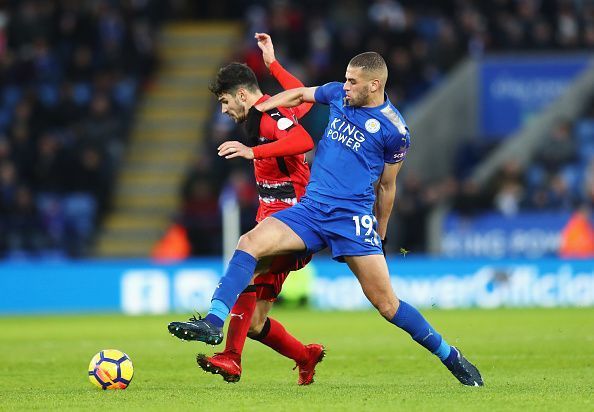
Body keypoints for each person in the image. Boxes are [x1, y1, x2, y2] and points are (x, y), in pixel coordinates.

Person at [169, 51, 484, 387]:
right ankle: (213, 323)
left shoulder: (395, 131)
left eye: (352, 81)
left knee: (387, 305)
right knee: (249, 243)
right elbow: (302, 93)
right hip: (312, 210)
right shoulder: (337, 95)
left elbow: (388, 186)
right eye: (345, 78)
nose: (344, 85)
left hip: (352, 219)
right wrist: (263, 104)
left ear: (374, 85)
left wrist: (381, 231)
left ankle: (451, 356)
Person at [173, 33, 325, 385]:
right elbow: (302, 94)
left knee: (247, 258)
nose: (224, 111)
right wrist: (272, 64)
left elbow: (304, 140)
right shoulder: (272, 110)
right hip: (273, 217)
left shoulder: (266, 116)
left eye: (225, 102)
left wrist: (250, 151)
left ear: (242, 94)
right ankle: (306, 356)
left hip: (294, 218)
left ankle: (219, 334)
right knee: (255, 323)